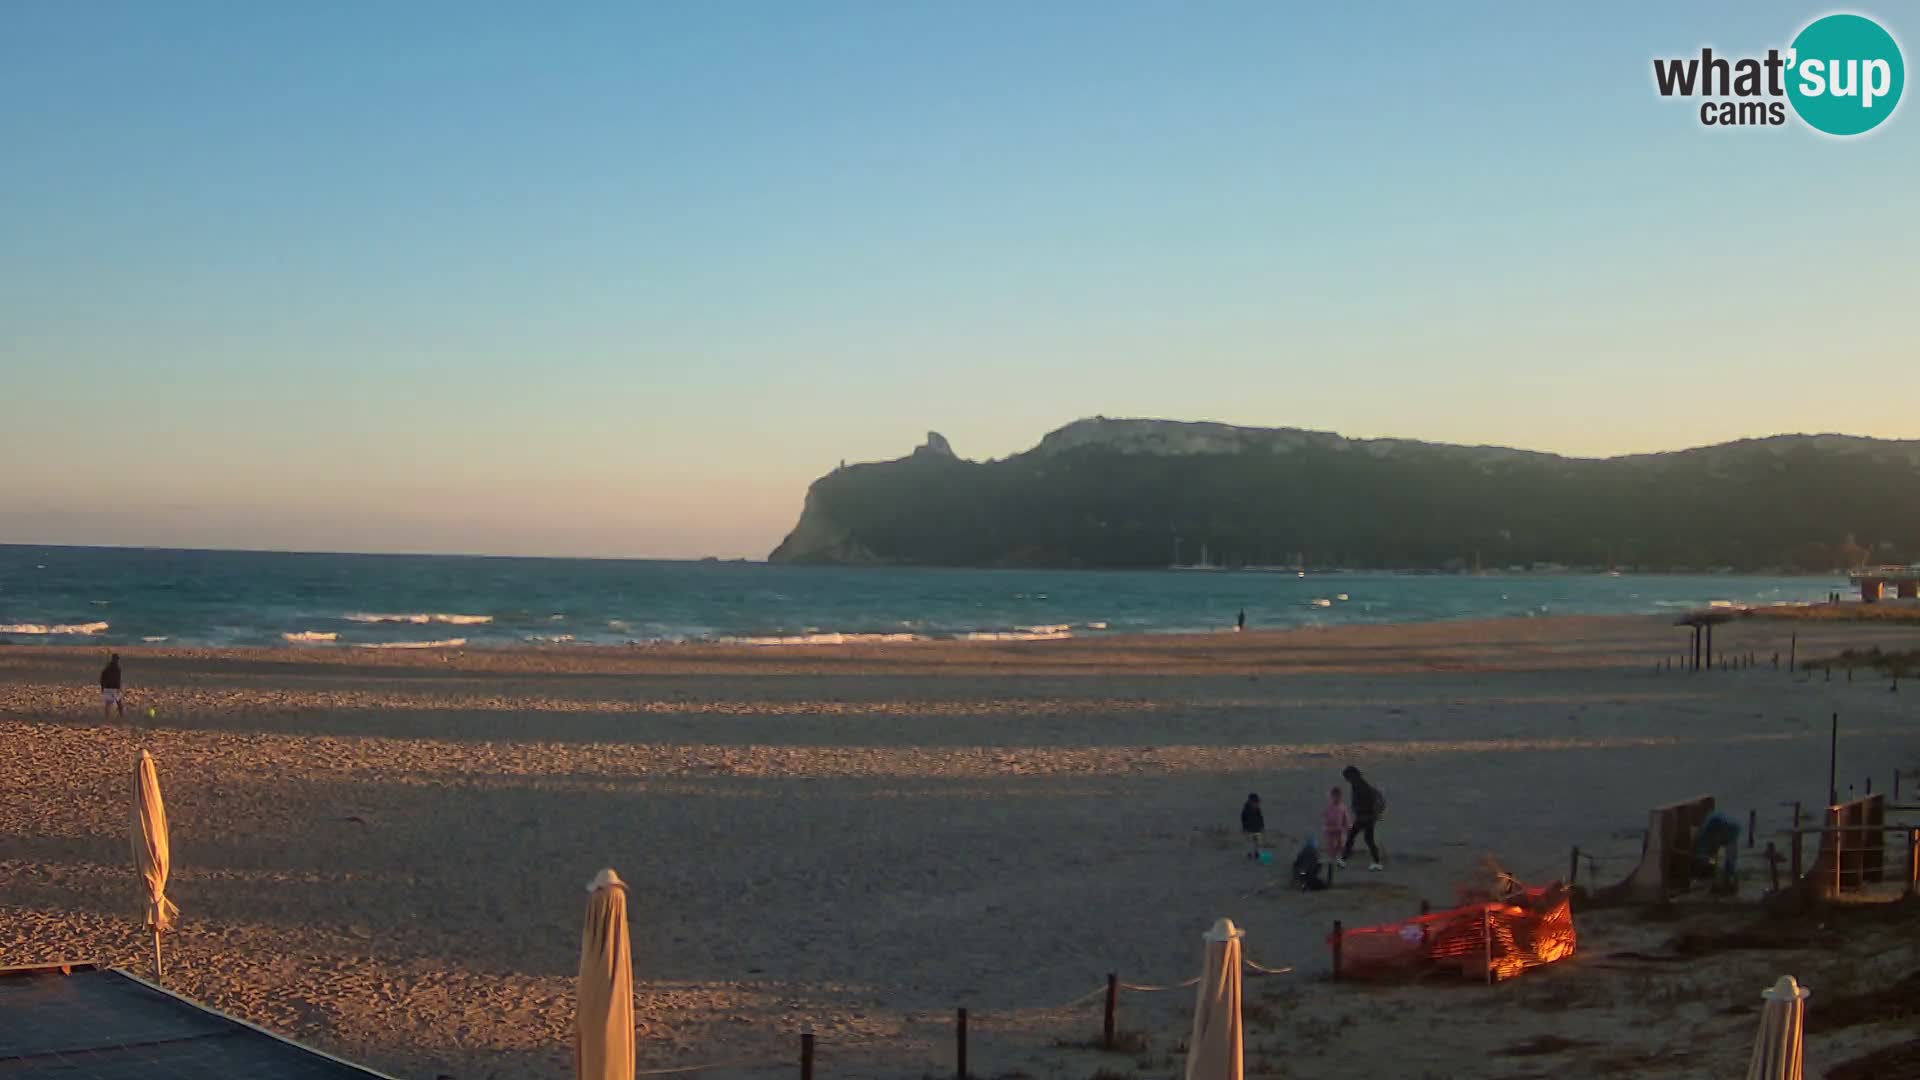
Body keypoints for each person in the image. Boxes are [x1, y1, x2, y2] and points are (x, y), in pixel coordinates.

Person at [1338, 765, 1385, 871]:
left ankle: (1344, 860)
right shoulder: (1359, 784)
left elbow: (1365, 801)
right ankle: (1344, 859)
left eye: (1346, 777)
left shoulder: (1359, 786)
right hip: (1367, 816)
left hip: (1365, 817)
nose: (1346, 779)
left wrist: (1361, 812)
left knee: (1358, 837)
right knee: (1366, 839)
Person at [1692, 811, 1741, 889]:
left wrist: (1712, 861)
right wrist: (1711, 860)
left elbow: (1702, 856)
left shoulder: (1731, 830)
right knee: (1713, 858)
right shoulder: (1706, 834)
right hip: (1729, 826)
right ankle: (1726, 876)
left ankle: (1728, 877)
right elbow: (1703, 855)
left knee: (1729, 858)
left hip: (1729, 827)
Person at [1322, 786, 1353, 860]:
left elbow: (1346, 820)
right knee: (1331, 846)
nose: (1333, 798)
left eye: (1334, 796)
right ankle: (1333, 859)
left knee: (1341, 845)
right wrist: (1325, 827)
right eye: (1332, 796)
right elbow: (1326, 818)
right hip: (1331, 831)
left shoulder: (1342, 807)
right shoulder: (1329, 807)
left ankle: (1340, 858)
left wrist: (1349, 827)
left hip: (1339, 831)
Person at [99, 653, 124, 720]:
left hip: (108, 688)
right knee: (118, 703)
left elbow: (102, 678)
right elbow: (118, 679)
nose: (117, 661)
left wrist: (102, 687)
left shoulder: (107, 668)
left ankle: (107, 717)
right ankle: (121, 716)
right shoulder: (117, 668)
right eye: (117, 659)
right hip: (113, 688)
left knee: (109, 704)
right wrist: (119, 687)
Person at [1240, 793, 1264, 860]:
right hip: (1249, 830)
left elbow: (1260, 818)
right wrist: (1245, 829)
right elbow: (1244, 820)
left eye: (1257, 802)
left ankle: (1257, 854)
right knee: (1250, 843)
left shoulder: (1257, 809)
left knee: (1258, 843)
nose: (1257, 804)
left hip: (1257, 829)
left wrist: (1262, 826)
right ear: (1251, 802)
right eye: (1255, 802)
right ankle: (1251, 855)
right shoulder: (1246, 811)